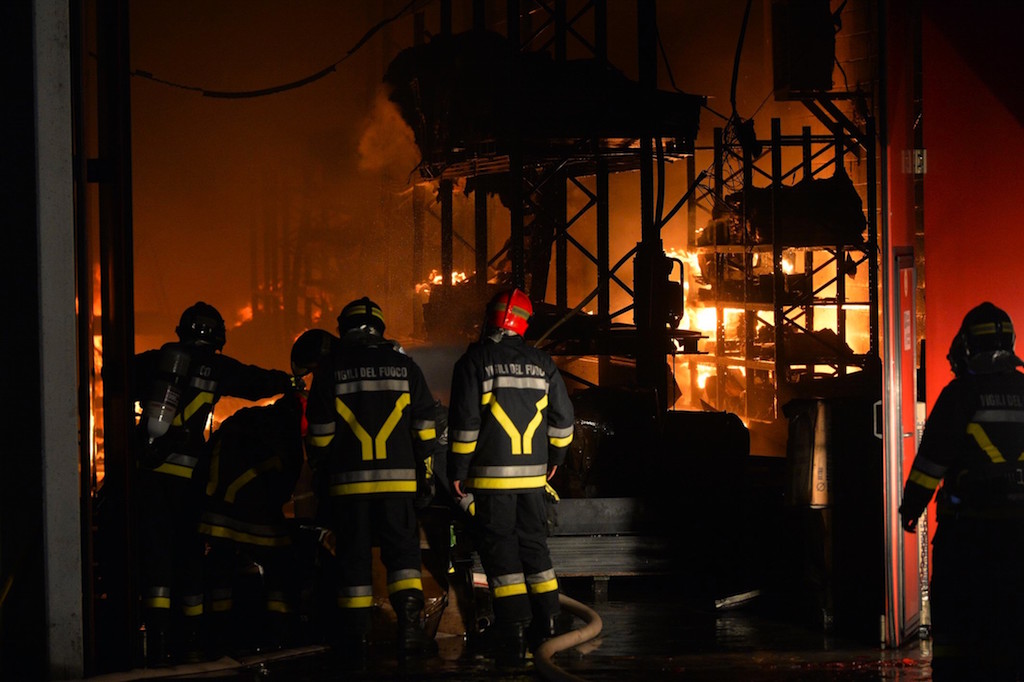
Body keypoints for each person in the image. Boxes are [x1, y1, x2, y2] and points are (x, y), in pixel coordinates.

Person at [134, 301, 295, 666]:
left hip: (154, 475)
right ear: (218, 337)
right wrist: (288, 380)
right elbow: (255, 382)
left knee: (156, 555)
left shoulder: (158, 361)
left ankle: (157, 638)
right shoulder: (218, 368)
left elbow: (117, 374)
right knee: (190, 554)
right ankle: (190, 638)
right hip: (191, 477)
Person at [304, 297, 439, 667]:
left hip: (349, 486)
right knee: (404, 557)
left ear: (344, 329)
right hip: (399, 485)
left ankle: (356, 639)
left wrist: (320, 468)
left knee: (354, 561)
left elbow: (319, 433)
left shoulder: (330, 370)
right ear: (379, 327)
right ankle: (410, 632)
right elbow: (426, 426)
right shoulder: (406, 367)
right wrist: (423, 472)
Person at [446, 288, 575, 668]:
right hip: (534, 479)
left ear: (490, 319)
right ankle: (550, 622)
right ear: (523, 323)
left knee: (501, 552)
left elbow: (466, 425)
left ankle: (514, 628)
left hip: (490, 481)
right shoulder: (543, 363)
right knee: (535, 548)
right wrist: (555, 458)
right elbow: (563, 422)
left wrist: (457, 470)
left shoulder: (474, 362)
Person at [900, 302, 1024, 681]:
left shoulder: (960, 395)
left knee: (958, 619)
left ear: (969, 345)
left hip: (969, 533)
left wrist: (912, 506)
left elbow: (932, 461)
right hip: (1019, 534)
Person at [197, 329, 335, 657]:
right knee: (283, 561)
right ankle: (279, 634)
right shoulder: (283, 435)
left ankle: (216, 635)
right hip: (246, 513)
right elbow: (282, 484)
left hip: (212, 511)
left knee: (221, 567)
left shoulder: (248, 418)